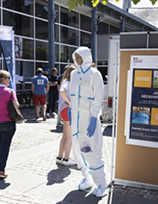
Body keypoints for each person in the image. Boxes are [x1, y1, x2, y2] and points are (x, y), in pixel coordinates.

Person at [69, 47, 108, 197]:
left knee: (93, 151)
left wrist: (94, 116)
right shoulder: (74, 74)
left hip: (88, 118)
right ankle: (87, 178)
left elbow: (99, 96)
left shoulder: (95, 74)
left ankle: (101, 184)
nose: (76, 59)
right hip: (76, 118)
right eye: (75, 56)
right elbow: (73, 95)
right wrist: (71, 109)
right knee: (78, 150)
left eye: (79, 56)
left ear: (86, 56)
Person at [56, 65, 77, 166]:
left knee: (65, 136)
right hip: (68, 110)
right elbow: (62, 91)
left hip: (64, 110)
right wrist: (69, 102)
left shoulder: (65, 81)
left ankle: (60, 157)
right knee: (69, 137)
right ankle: (66, 159)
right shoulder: (68, 83)